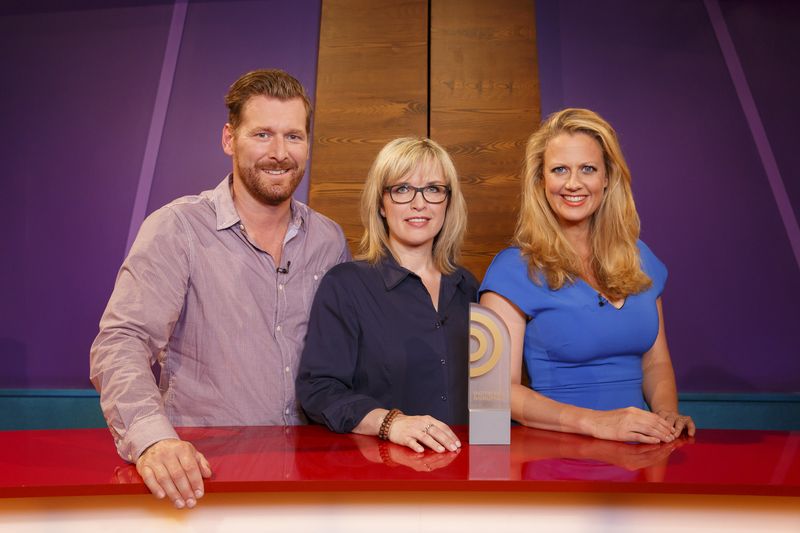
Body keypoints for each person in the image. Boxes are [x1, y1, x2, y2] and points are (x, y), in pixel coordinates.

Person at [89, 69, 349, 508]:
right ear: (229, 139)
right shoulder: (178, 229)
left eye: (293, 136)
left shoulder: (329, 239)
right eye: (262, 134)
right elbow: (121, 341)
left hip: (308, 483)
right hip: (203, 482)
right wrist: (152, 440)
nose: (280, 153)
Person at [480, 108, 695, 444]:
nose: (573, 183)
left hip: (642, 457)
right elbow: (493, 394)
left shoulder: (642, 258)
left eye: (588, 169)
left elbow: (656, 362)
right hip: (559, 463)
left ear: (607, 178)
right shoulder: (509, 270)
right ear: (541, 181)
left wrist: (666, 415)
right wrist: (598, 423)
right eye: (559, 170)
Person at [296, 137, 477, 454]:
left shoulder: (469, 288)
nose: (419, 203)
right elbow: (319, 390)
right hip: (383, 477)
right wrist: (390, 422)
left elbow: (491, 395)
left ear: (448, 202)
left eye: (433, 189)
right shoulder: (345, 285)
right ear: (381, 203)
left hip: (467, 475)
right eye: (402, 189)